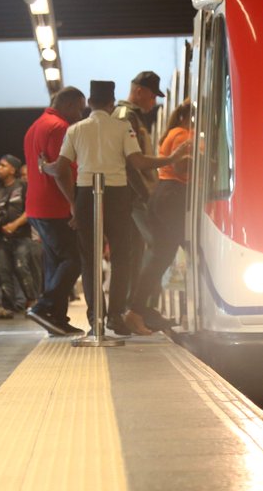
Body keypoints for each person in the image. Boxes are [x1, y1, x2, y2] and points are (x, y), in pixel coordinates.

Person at [52, 81, 188, 335]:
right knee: (121, 258)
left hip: (85, 195)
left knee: (89, 258)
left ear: (90, 103)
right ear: (110, 102)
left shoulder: (75, 130)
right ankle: (115, 316)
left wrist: (48, 172)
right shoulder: (123, 126)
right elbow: (137, 161)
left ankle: (96, 321)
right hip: (117, 194)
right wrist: (171, 158)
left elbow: (60, 167)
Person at [25, 87, 85, 337]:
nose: (81, 114)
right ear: (69, 105)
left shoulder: (35, 126)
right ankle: (43, 307)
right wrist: (73, 202)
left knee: (56, 263)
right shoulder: (60, 127)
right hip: (54, 206)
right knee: (75, 258)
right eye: (80, 108)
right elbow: (61, 170)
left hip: (36, 206)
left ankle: (57, 319)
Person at [128, 99, 193, 333]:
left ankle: (138, 311)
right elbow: (181, 168)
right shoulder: (182, 134)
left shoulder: (177, 131)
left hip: (166, 195)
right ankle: (136, 311)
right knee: (170, 254)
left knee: (162, 255)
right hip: (173, 196)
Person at [113, 71, 163, 320]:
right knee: (159, 246)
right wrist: (146, 195)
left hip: (133, 197)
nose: (153, 102)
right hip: (135, 197)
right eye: (152, 96)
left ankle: (134, 309)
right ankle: (138, 308)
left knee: (137, 253)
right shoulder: (125, 116)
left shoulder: (132, 117)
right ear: (139, 91)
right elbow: (131, 163)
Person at [0, 154, 35, 319]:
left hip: (21, 237)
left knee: (21, 268)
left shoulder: (23, 186)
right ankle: (8, 307)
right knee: (3, 271)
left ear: (12, 169)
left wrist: (15, 224)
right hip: (2, 238)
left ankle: (32, 302)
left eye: (3, 165)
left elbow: (30, 210)